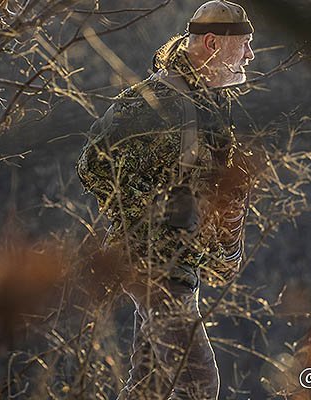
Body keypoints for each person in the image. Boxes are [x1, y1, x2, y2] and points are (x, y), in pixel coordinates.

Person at [76, 1, 256, 398]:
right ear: (212, 43)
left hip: (181, 267)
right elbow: (92, 166)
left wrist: (225, 249)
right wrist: (156, 207)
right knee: (198, 383)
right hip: (148, 267)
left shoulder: (214, 102)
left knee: (149, 386)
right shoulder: (152, 101)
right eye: (243, 44)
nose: (250, 55)